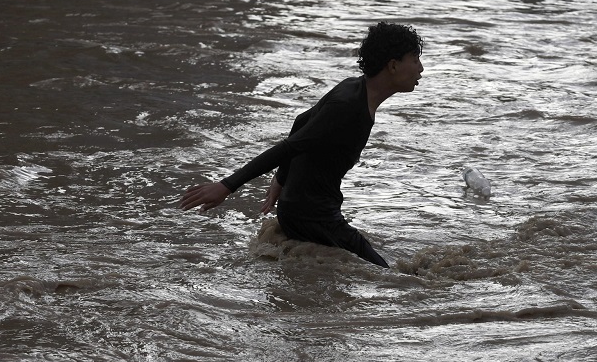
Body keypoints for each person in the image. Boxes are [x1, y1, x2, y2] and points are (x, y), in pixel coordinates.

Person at [179, 22, 425, 268]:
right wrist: (226, 186)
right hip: (313, 217)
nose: (421, 69)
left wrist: (282, 179)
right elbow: (289, 146)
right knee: (390, 277)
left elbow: (301, 121)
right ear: (393, 65)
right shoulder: (348, 106)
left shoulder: (353, 88)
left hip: (304, 210)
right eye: (415, 60)